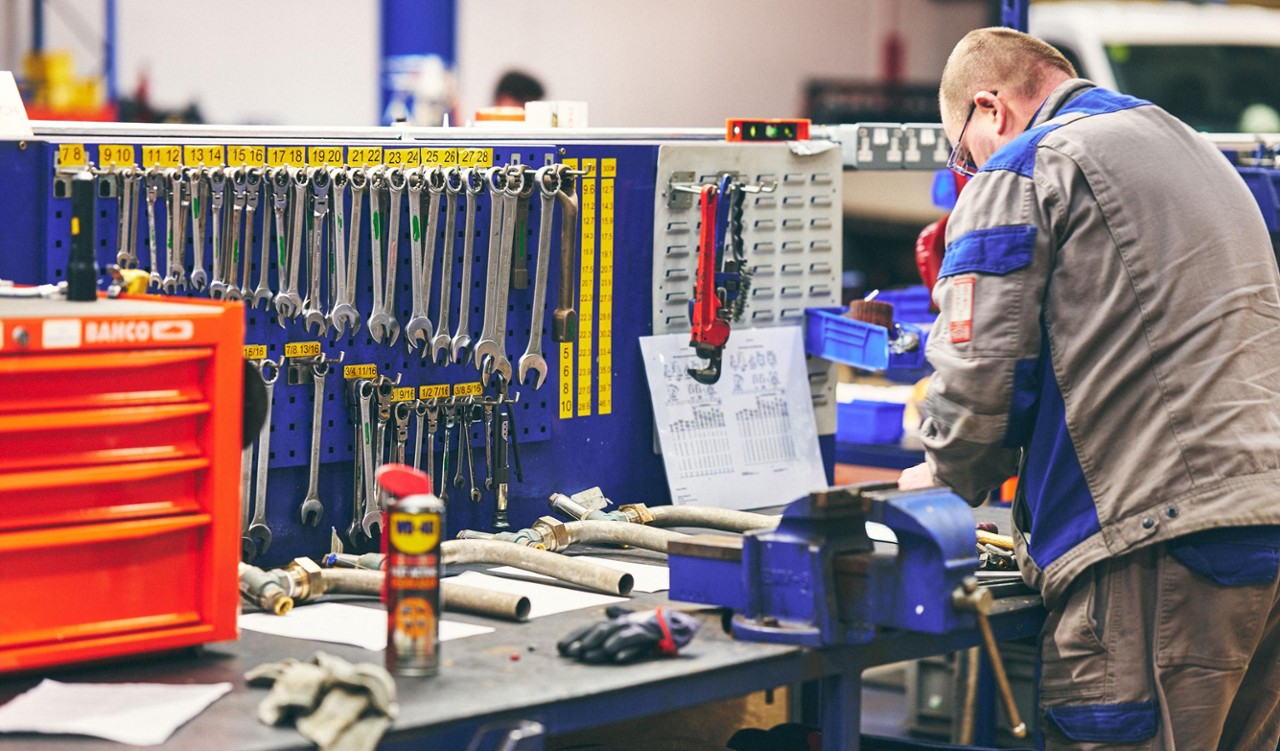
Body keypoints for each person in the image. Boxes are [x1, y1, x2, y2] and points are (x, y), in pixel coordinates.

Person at [898, 27, 1280, 750]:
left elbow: (981, 373)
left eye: (960, 151)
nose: (967, 172)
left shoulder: (1025, 166)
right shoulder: (1189, 146)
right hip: (1262, 532)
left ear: (991, 109)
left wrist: (943, 473)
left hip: (1155, 551)